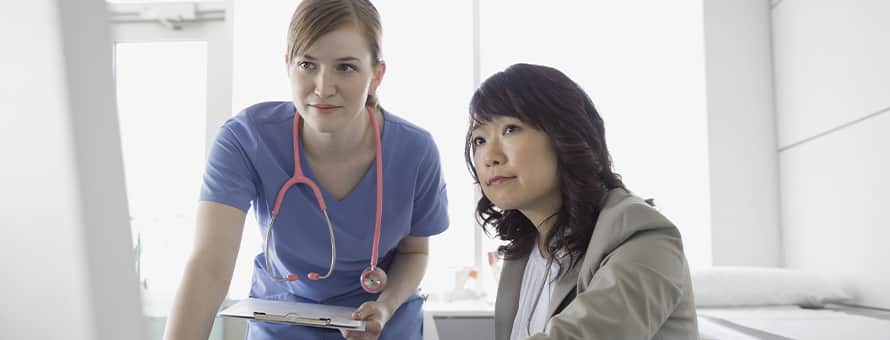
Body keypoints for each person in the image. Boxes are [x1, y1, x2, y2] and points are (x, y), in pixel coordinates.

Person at [163, 1, 449, 339]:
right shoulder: (246, 139)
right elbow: (209, 267)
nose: (323, 87)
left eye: (345, 67)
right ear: (287, 65)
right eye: (307, 64)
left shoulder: (415, 151)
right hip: (284, 325)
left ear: (376, 76)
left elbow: (415, 251)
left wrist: (385, 306)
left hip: (380, 327)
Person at [465, 63, 698, 340]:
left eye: (511, 129)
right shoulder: (524, 252)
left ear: (566, 134)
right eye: (479, 140)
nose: (490, 156)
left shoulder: (642, 235)